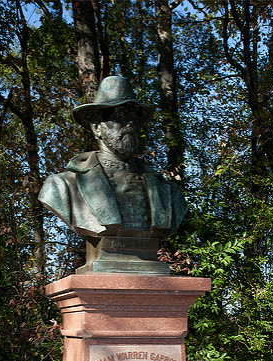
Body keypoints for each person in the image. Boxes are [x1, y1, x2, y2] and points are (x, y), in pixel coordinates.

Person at [38, 76, 187, 239]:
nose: (130, 124)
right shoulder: (62, 186)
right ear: (97, 128)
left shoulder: (168, 190)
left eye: (134, 119)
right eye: (120, 118)